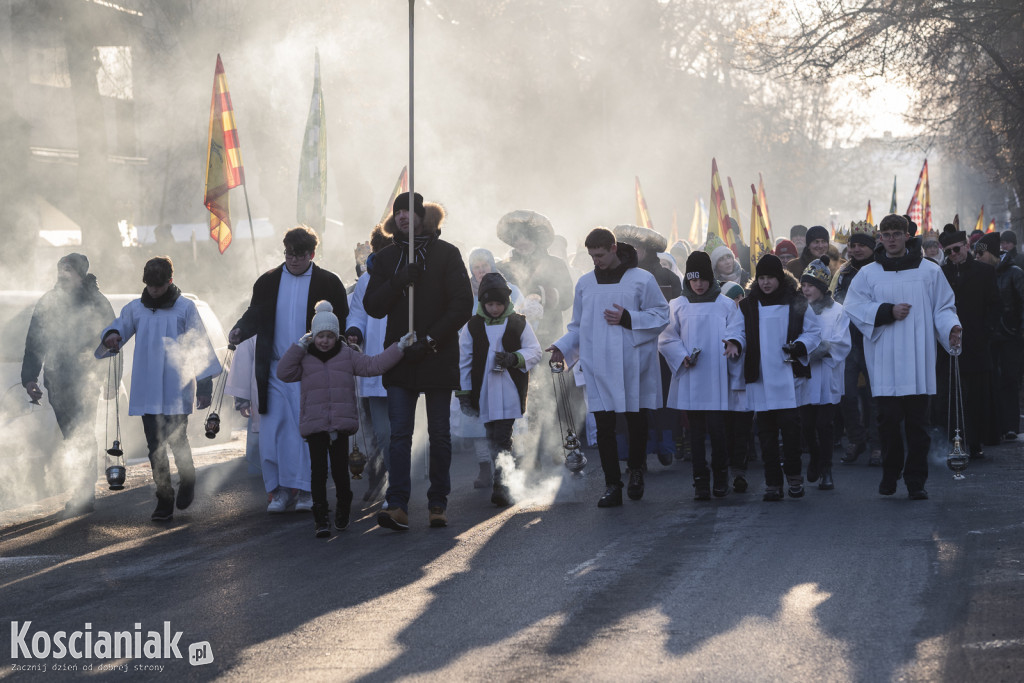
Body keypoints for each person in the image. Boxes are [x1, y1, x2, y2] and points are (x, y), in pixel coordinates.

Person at [364, 192, 473, 531]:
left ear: (420, 216)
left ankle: (438, 501)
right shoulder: (385, 259)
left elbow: (461, 304)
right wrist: (400, 280)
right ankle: (397, 503)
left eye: (409, 211)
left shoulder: (447, 254)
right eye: (398, 212)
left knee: (440, 434)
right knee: (400, 435)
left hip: (436, 355)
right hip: (400, 359)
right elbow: (373, 306)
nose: (403, 217)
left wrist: (429, 340)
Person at [547, 228, 669, 507]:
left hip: (632, 362)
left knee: (636, 421)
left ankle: (636, 471)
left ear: (614, 249)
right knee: (604, 426)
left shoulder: (641, 279)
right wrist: (562, 347)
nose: (595, 261)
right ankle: (612, 484)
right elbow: (578, 326)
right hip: (597, 363)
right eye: (591, 256)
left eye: (600, 255)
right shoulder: (585, 283)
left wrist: (628, 318)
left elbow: (662, 315)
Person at [229, 226, 348, 514]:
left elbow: (341, 321)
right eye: (289, 254)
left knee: (307, 432)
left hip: (311, 369)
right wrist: (240, 329)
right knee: (273, 432)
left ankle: (308, 490)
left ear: (312, 254)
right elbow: (254, 314)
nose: (293, 260)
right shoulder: (268, 281)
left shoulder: (328, 282)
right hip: (273, 369)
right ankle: (278, 491)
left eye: (300, 255)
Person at [844, 214, 961, 499]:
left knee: (918, 427)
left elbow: (943, 307)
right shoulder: (868, 273)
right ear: (880, 239)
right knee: (887, 423)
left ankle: (915, 481)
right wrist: (886, 312)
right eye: (887, 234)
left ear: (907, 236)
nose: (892, 239)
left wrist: (952, 328)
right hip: (884, 359)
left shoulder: (929, 271)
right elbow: (854, 306)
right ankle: (890, 471)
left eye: (897, 233)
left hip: (918, 360)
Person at [97, 257, 221, 521]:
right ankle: (164, 499)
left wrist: (205, 386)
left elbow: (199, 346)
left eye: (159, 285)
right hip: (147, 387)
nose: (154, 290)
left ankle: (187, 480)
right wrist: (111, 335)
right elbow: (119, 326)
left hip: (177, 387)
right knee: (155, 446)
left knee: (178, 440)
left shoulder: (185, 308)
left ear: (170, 281)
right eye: (150, 286)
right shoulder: (136, 309)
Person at [277, 301, 414, 537]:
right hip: (315, 426)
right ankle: (321, 517)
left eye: (330, 336)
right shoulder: (305, 358)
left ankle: (342, 508)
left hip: (340, 425)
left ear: (336, 336)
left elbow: (374, 365)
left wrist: (399, 347)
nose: (325, 341)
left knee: (341, 472)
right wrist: (300, 346)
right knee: (318, 474)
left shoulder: (347, 355)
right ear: (313, 336)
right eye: (320, 336)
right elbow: (283, 372)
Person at [22, 253, 115, 516]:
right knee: (71, 435)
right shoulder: (48, 301)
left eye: (69, 270)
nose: (63, 274)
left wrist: (111, 379)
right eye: (60, 269)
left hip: (88, 379)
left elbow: (113, 344)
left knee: (83, 433)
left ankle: (85, 493)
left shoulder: (98, 302)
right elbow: (35, 342)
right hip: (57, 380)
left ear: (81, 274)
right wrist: (30, 377)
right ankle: (80, 489)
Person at [658, 251, 743, 499]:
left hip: (717, 375)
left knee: (718, 431)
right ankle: (700, 479)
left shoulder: (725, 304)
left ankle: (720, 475)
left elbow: (738, 329)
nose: (699, 284)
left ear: (711, 278)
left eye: (703, 279)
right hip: (692, 375)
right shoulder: (678, 305)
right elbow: (666, 337)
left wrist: (734, 342)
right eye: (694, 279)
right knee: (695, 433)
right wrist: (680, 355)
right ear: (687, 279)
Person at [736, 254, 821, 501]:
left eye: (770, 278)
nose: (765, 283)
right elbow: (737, 331)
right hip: (761, 379)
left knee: (792, 432)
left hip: (788, 377)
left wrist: (800, 346)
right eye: (761, 278)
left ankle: (794, 477)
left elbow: (813, 332)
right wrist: (734, 343)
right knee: (766, 434)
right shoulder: (748, 305)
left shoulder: (796, 302)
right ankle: (772, 483)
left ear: (779, 278)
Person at [457, 272, 542, 506]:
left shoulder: (518, 322)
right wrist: (464, 393)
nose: (494, 308)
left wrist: (514, 358)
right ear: (483, 303)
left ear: (506, 302)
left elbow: (534, 350)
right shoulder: (472, 326)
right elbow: (464, 360)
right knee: (491, 436)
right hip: (484, 392)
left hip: (509, 391)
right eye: (490, 304)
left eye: (498, 304)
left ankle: (502, 484)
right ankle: (504, 477)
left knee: (502, 437)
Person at [613, 224, 682, 464]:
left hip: (659, 343)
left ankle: (664, 445)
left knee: (658, 397)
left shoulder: (664, 275)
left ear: (645, 249)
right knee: (630, 399)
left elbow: (672, 310)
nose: (629, 252)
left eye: (635, 247)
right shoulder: (617, 275)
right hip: (626, 342)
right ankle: (634, 453)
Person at [462, 247, 529, 488]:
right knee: (482, 427)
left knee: (503, 431)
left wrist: (514, 357)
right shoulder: (464, 293)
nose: (480, 271)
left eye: (484, 266)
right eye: (475, 268)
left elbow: (525, 330)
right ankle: (486, 468)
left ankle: (506, 473)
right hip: (479, 375)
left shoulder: (509, 293)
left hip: (507, 378)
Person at [938, 224, 999, 458]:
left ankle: (975, 441)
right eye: (949, 252)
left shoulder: (985, 272)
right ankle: (955, 440)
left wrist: (987, 332)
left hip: (976, 342)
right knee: (951, 394)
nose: (953, 255)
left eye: (957, 249)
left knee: (976, 395)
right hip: (948, 344)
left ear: (966, 246)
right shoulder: (941, 274)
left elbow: (995, 305)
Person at [345, 224, 394, 502]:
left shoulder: (408, 277)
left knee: (398, 431)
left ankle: (395, 486)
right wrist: (355, 332)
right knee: (381, 432)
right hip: (373, 366)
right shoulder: (366, 280)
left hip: (402, 364)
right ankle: (379, 476)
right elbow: (358, 315)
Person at [797, 257, 851, 490]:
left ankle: (826, 468)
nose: (806, 289)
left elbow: (841, 343)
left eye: (810, 285)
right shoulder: (798, 310)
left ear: (821, 287)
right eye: (804, 285)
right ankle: (815, 458)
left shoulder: (838, 311)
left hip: (828, 376)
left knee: (824, 424)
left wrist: (815, 350)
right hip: (806, 376)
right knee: (807, 425)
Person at [832, 222, 882, 466]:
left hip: (873, 339)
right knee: (847, 394)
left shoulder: (881, 270)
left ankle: (877, 444)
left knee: (875, 397)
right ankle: (856, 438)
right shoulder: (843, 272)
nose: (857, 249)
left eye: (863, 245)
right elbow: (834, 302)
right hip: (848, 341)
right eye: (853, 245)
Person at [977, 232, 1024, 439]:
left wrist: (1017, 330)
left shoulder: (1015, 273)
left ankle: (1011, 425)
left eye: (981, 253)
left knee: (1009, 379)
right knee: (991, 380)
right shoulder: (981, 274)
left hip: (1010, 335)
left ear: (992, 253)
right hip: (989, 335)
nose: (976, 256)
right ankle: (996, 426)